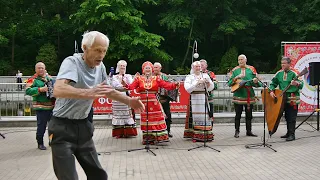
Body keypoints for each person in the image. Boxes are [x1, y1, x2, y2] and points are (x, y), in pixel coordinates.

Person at [49, 31, 144, 180]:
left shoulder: (100, 67)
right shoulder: (72, 62)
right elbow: (58, 89)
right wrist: (90, 92)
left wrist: (129, 101)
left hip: (83, 127)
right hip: (62, 128)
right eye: (98, 50)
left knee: (99, 176)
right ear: (85, 47)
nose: (101, 55)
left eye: (104, 51)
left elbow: (107, 91)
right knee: (68, 177)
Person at [122, 61, 179, 145]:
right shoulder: (139, 79)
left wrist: (174, 85)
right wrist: (125, 84)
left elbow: (165, 85)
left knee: (156, 118)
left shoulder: (156, 78)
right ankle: (148, 138)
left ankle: (159, 137)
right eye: (146, 68)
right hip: (144, 103)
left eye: (149, 68)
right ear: (143, 70)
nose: (147, 70)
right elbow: (131, 87)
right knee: (146, 119)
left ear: (152, 69)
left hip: (154, 102)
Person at [269, 57, 303, 141]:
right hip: (282, 98)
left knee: (291, 117)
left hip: (292, 98)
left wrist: (296, 83)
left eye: (284, 63)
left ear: (289, 64)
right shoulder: (279, 73)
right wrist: (271, 91)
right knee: (286, 117)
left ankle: (292, 134)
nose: (282, 65)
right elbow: (273, 83)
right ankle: (288, 132)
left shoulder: (295, 73)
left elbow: (301, 84)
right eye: (282, 63)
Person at [227, 54, 261, 138]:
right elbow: (229, 83)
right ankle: (237, 131)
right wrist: (236, 77)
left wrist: (256, 81)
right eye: (239, 60)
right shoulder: (235, 70)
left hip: (249, 94)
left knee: (249, 115)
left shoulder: (251, 69)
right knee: (238, 114)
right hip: (238, 95)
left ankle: (249, 131)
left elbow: (257, 83)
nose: (240, 61)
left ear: (246, 60)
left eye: (242, 59)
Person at [183, 61, 216, 142]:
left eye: (199, 66)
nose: (198, 68)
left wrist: (207, 83)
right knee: (194, 116)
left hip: (203, 97)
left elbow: (212, 87)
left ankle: (205, 134)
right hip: (194, 97)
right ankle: (195, 134)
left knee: (205, 116)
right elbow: (187, 88)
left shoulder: (205, 75)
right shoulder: (190, 77)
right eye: (196, 67)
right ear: (193, 68)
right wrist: (197, 83)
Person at [25, 62, 54, 150]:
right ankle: (40, 143)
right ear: (35, 69)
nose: (41, 69)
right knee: (41, 126)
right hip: (41, 107)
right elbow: (28, 91)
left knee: (53, 126)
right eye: (39, 68)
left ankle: (52, 141)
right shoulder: (33, 79)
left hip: (52, 106)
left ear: (45, 69)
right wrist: (40, 89)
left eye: (42, 68)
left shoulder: (49, 78)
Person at [111, 60, 137, 138]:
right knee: (118, 114)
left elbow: (131, 85)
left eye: (123, 66)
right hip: (117, 98)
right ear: (118, 67)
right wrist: (123, 85)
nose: (122, 67)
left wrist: (126, 84)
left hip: (126, 97)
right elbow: (115, 86)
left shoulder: (128, 76)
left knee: (127, 114)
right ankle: (119, 133)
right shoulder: (114, 77)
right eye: (121, 66)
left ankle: (128, 132)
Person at [153, 62, 173, 138]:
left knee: (167, 115)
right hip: (154, 100)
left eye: (157, 67)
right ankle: (155, 131)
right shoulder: (150, 76)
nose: (155, 69)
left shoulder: (165, 76)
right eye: (154, 67)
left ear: (160, 68)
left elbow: (171, 85)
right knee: (155, 116)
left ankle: (168, 131)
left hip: (164, 99)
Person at [199, 59, 218, 123]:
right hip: (198, 97)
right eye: (199, 65)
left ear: (206, 66)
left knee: (210, 112)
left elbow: (216, 85)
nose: (201, 66)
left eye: (202, 65)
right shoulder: (196, 73)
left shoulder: (210, 73)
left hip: (209, 96)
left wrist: (209, 84)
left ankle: (210, 128)